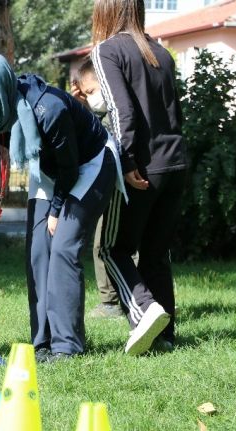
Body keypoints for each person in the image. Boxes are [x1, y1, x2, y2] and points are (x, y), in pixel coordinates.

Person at [0, 53, 126, 361]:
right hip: (49, 169)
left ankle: (67, 348)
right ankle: (43, 345)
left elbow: (70, 168)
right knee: (38, 252)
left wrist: (55, 211)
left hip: (90, 164)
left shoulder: (48, 109)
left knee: (64, 247)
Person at [91, 0, 188, 354]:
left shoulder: (106, 50)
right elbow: (174, 112)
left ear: (106, 11)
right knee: (155, 254)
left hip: (142, 168)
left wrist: (127, 161)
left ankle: (145, 312)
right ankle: (165, 336)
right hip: (176, 164)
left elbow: (121, 110)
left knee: (111, 249)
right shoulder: (161, 53)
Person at [72, 59, 139, 319]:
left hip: (121, 181)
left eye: (91, 91)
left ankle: (114, 301)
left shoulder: (119, 109)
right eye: (86, 94)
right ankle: (114, 299)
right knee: (108, 242)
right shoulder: (103, 111)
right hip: (113, 180)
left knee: (107, 242)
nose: (91, 97)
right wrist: (82, 105)